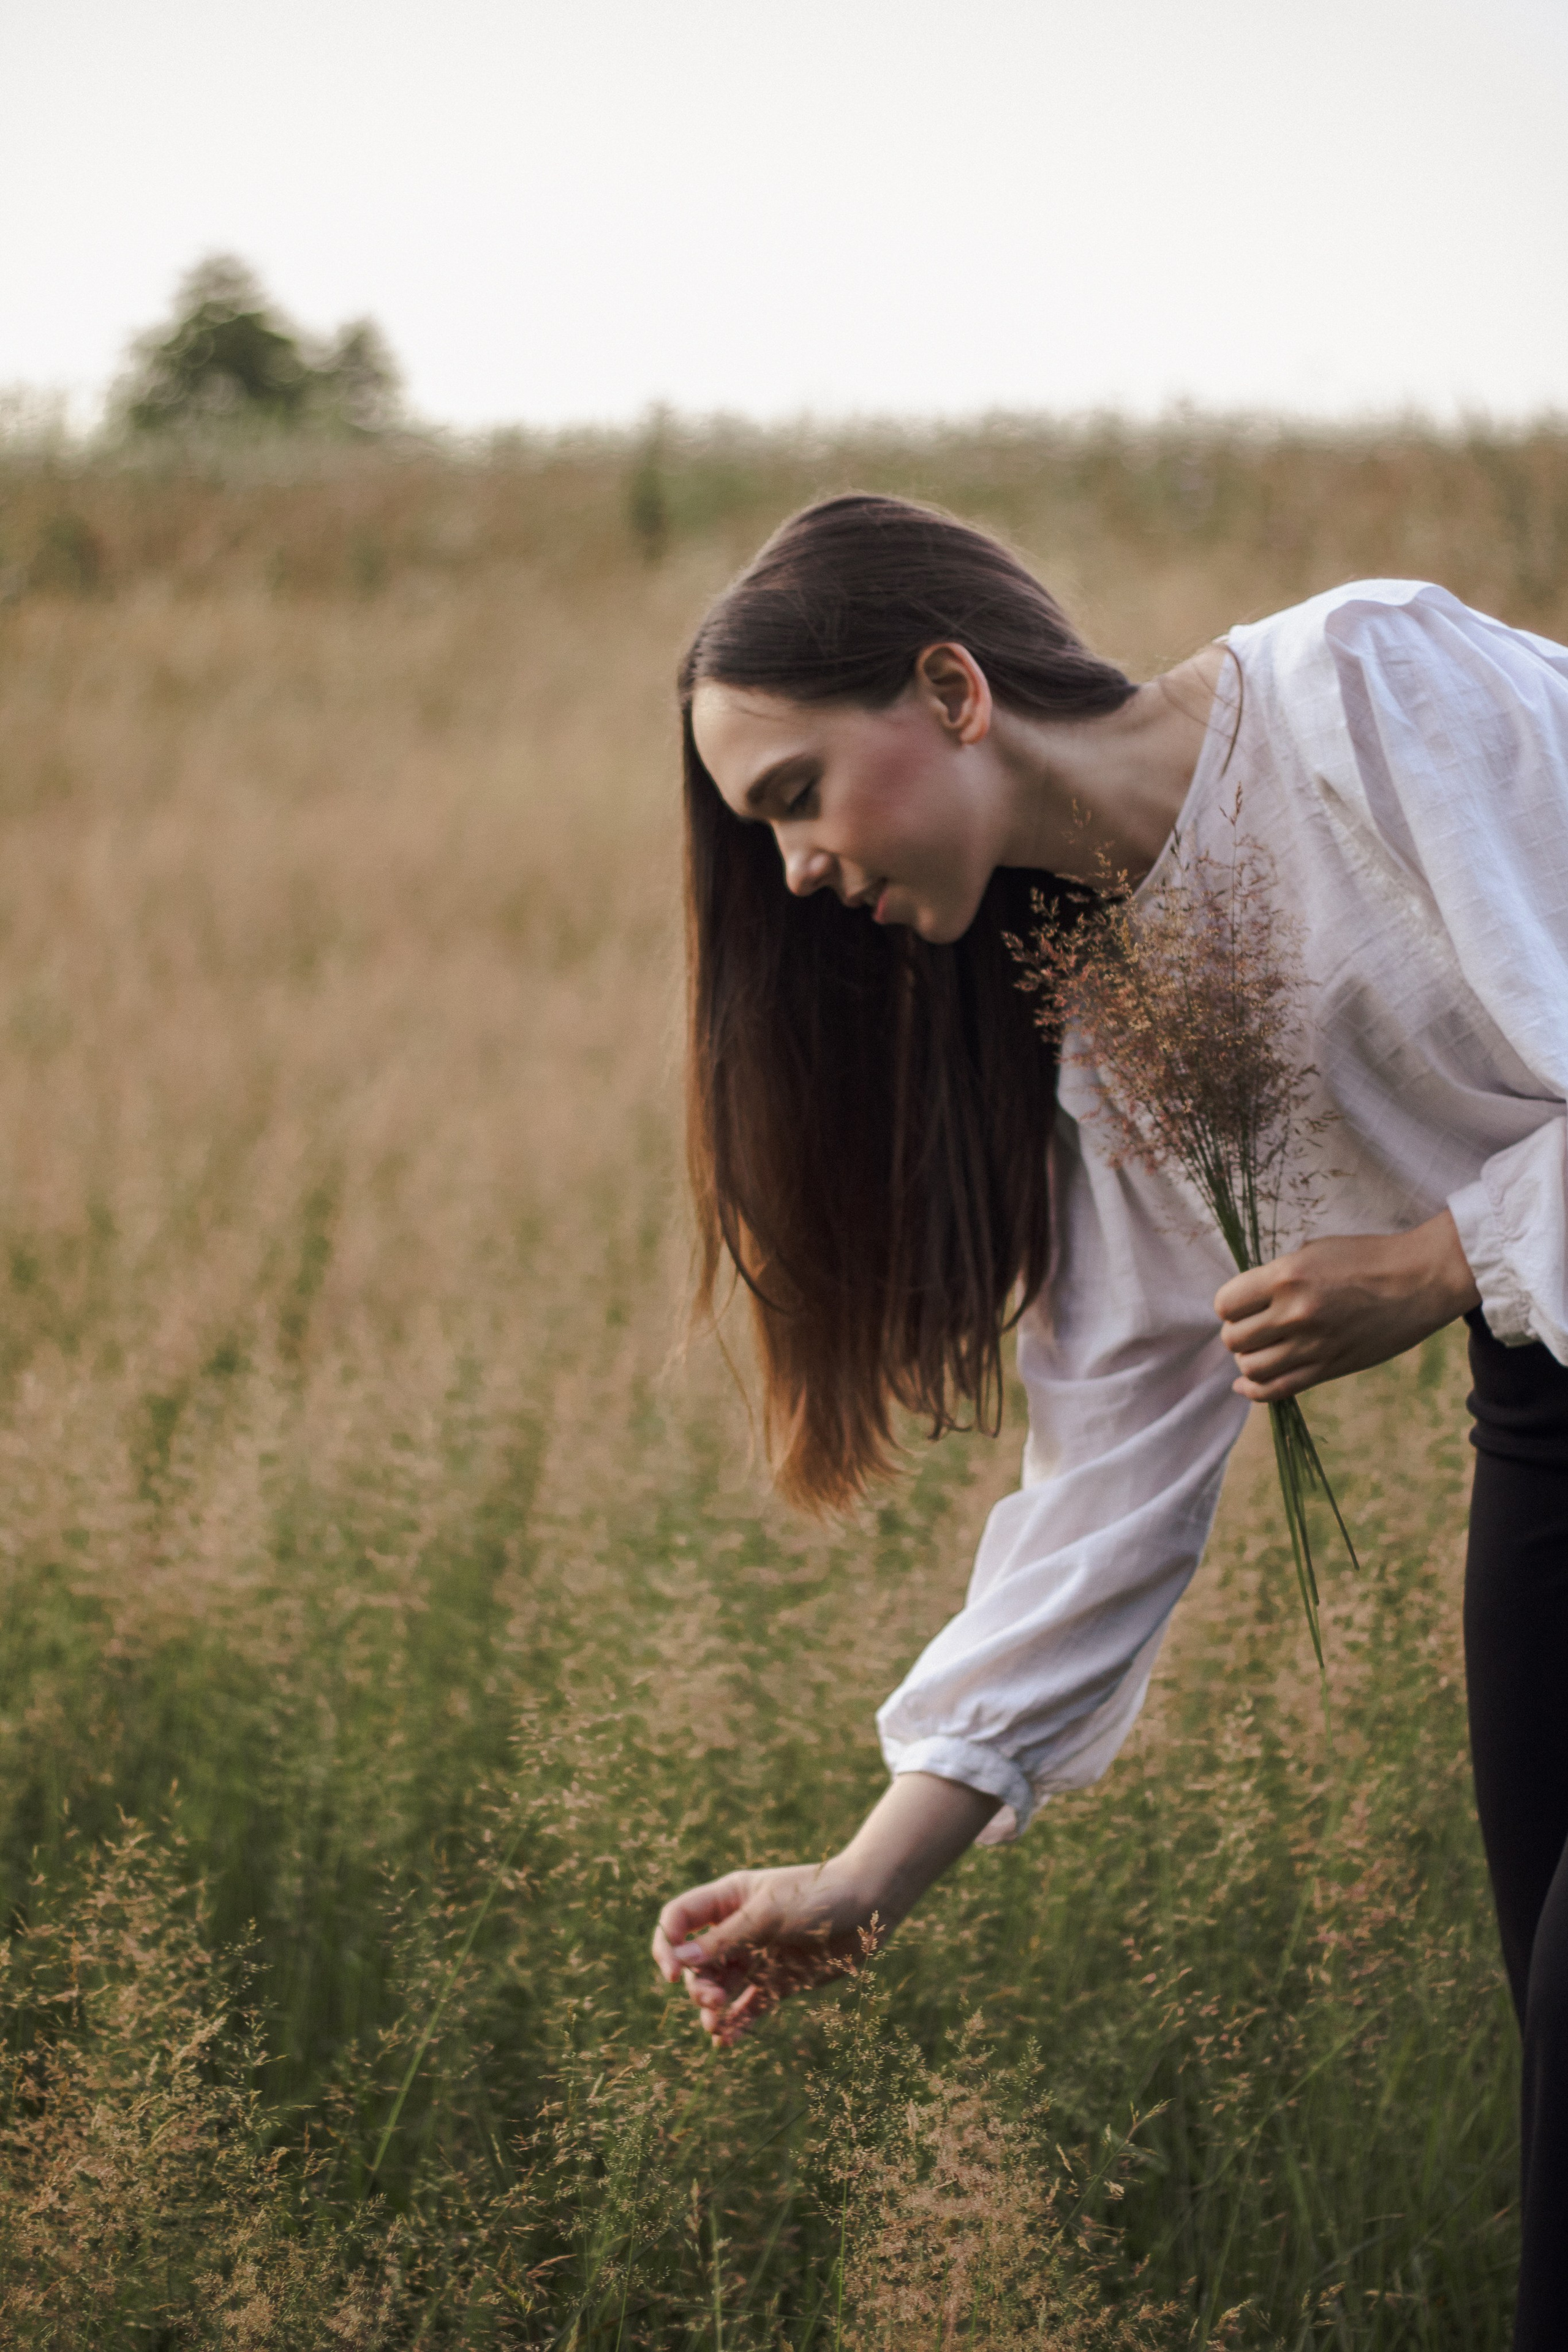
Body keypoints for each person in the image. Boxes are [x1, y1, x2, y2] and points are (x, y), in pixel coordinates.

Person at [647, 492, 1568, 2345]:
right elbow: (1111, 1480)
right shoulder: (1114, 1025)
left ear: (952, 687)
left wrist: (1443, 1262)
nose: (801, 873)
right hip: (1550, 1438)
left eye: (799, 797)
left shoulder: (1369, 692)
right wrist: (867, 1879)